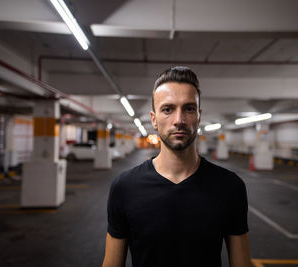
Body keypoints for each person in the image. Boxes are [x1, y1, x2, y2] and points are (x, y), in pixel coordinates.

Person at [102, 66, 251, 267]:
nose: (179, 120)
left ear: (198, 116)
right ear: (154, 119)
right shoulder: (124, 187)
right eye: (167, 109)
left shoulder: (230, 186)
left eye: (188, 109)